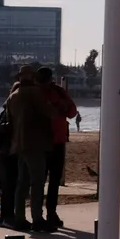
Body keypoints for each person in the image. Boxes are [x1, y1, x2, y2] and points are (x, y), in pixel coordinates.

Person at [7, 65, 57, 232]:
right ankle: (37, 218)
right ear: (32, 77)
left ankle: (20, 218)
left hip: (19, 144)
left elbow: (10, 119)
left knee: (22, 183)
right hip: (35, 143)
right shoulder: (36, 93)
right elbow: (50, 112)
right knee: (37, 182)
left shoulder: (13, 96)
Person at [37, 67, 77, 230]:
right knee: (44, 180)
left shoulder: (56, 92)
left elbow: (72, 111)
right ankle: (45, 213)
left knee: (47, 179)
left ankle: (47, 212)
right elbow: (72, 111)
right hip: (45, 141)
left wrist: (60, 106)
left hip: (51, 141)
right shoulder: (45, 92)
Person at [0, 99, 17, 229]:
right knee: (8, 186)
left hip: (5, 152)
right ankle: (6, 216)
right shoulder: (9, 114)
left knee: (8, 186)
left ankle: (6, 216)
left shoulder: (7, 112)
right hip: (7, 152)